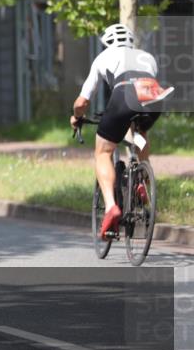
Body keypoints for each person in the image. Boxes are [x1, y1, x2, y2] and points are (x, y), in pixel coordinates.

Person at [71, 23, 173, 239]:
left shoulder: (103, 58)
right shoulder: (147, 56)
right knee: (140, 132)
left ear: (106, 43)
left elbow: (82, 101)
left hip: (125, 94)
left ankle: (111, 207)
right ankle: (142, 178)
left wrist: (77, 117)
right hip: (153, 94)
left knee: (103, 152)